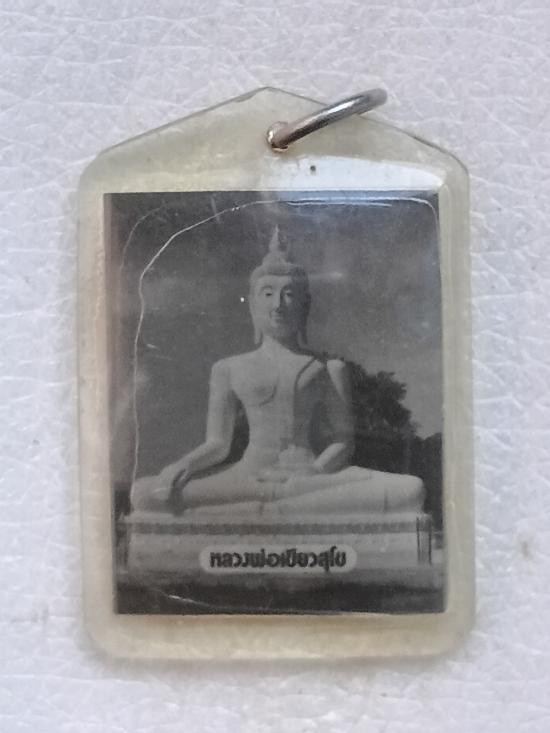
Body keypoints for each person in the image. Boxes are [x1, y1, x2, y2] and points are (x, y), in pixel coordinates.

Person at [131, 231, 425, 516]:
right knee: (143, 493)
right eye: (268, 294)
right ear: (253, 304)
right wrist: (183, 465)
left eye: (289, 294)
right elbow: (218, 445)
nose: (278, 305)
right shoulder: (228, 368)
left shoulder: (328, 368)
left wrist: (314, 471)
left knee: (411, 489)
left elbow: (343, 441)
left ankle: (264, 509)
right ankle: (279, 507)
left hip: (309, 476)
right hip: (247, 476)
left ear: (304, 306)